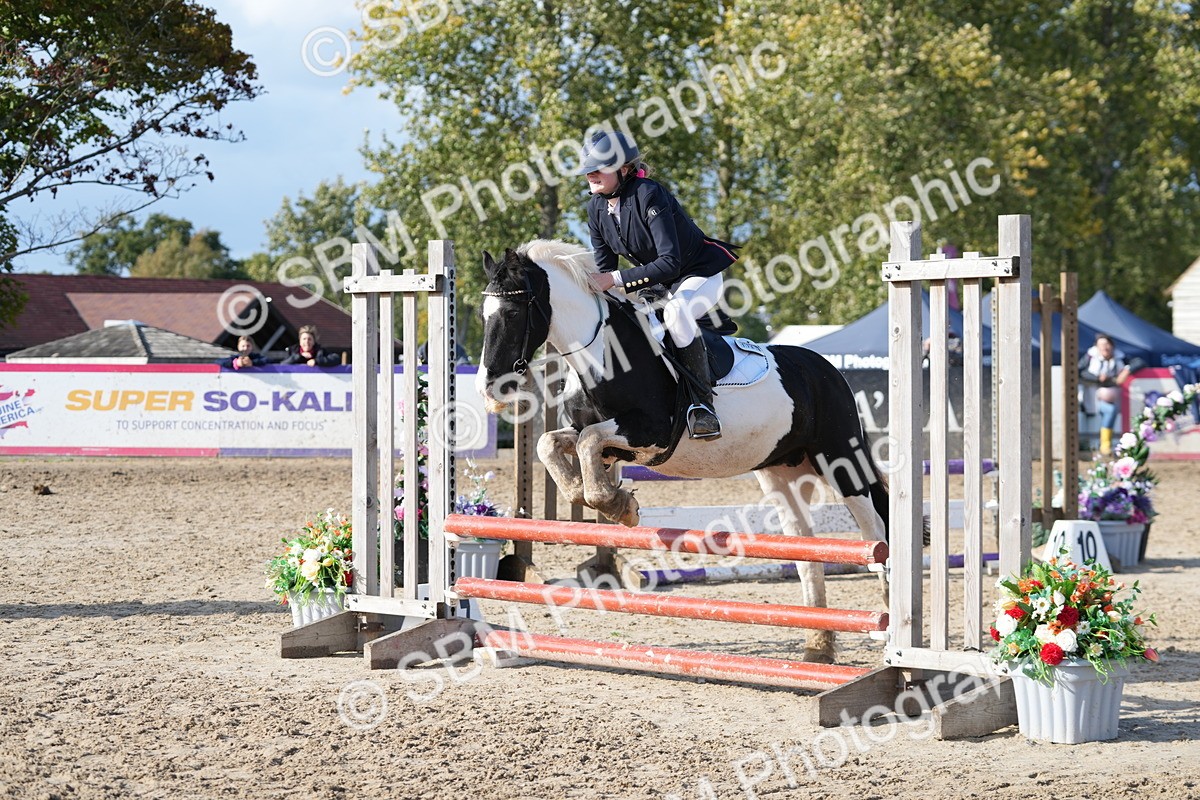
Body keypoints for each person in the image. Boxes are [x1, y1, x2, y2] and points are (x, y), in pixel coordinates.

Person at [580, 129, 739, 440]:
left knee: (677, 313)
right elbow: (605, 270)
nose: (592, 174)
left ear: (624, 169)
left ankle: (702, 407)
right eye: (589, 169)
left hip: (697, 274)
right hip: (657, 285)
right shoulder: (596, 209)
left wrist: (612, 280)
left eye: (600, 167)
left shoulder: (648, 194)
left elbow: (670, 262)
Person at [1079, 333, 1131, 455]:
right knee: (1110, 410)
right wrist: (1097, 377)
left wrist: (1127, 371)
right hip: (1092, 397)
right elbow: (1079, 370)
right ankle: (1105, 444)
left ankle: (1106, 444)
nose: (1105, 347)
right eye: (1101, 345)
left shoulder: (1119, 358)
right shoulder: (1090, 357)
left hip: (1115, 398)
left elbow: (1138, 362)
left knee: (1111, 410)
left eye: (1107, 344)